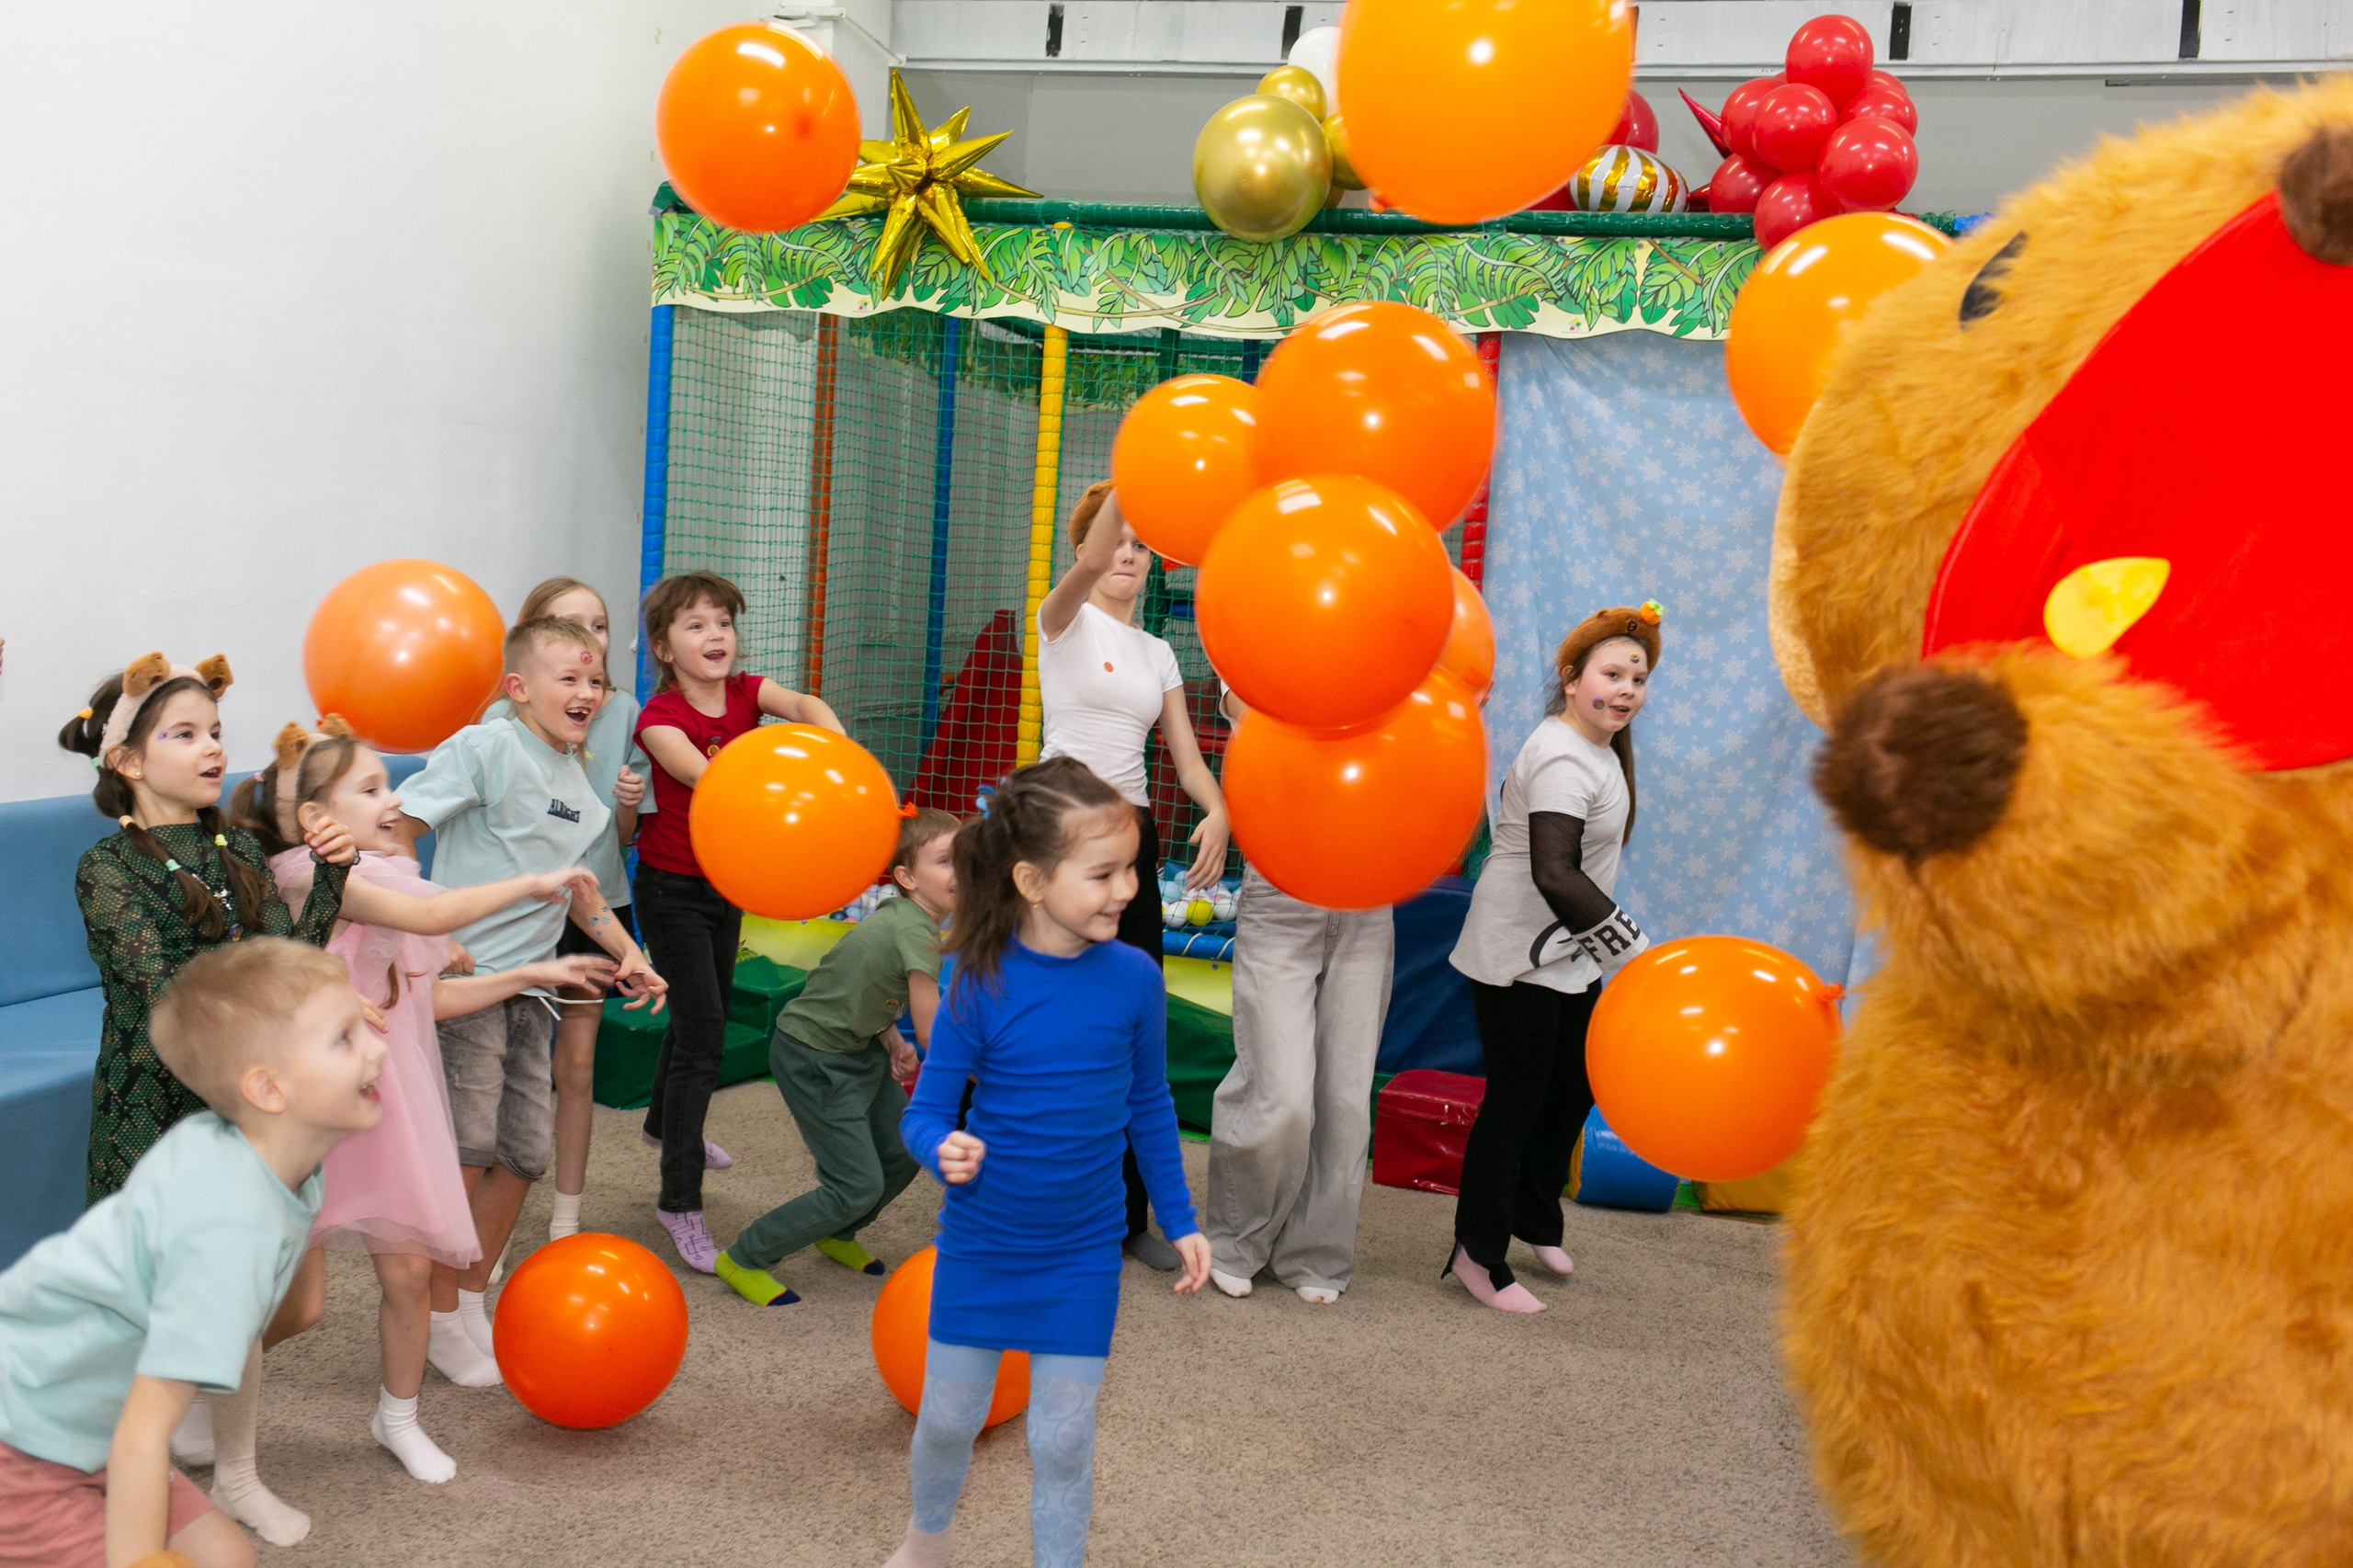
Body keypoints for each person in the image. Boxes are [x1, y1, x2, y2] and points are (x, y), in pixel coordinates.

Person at [235, 722, 617, 1474]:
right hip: (317, 1109)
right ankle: (197, 1386)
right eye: (370, 788)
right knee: (293, 1301)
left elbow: (423, 999)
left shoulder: (384, 874)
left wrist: (529, 976)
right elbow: (434, 916)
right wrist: (534, 881)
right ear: (317, 817)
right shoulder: (308, 877)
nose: (394, 800)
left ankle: (398, 1418)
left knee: (408, 1274)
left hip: (392, 1101)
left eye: (389, 784)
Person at [56, 654, 356, 1545]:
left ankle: (235, 1471)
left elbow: (287, 968)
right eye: (184, 733)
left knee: (251, 1300)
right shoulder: (106, 868)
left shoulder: (239, 850)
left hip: (239, 1104)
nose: (213, 747)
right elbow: (164, 994)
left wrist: (331, 878)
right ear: (128, 761)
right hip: (153, 1113)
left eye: (216, 731)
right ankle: (119, 1469)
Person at [890, 757, 1209, 1568]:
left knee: (1063, 1441)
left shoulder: (1135, 979)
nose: (1127, 889)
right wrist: (941, 1148)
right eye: (1102, 873)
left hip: (1082, 1254)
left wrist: (1179, 1218)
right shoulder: (975, 977)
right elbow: (923, 1114)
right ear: (1031, 880)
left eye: (1131, 868)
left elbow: (1149, 1104)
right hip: (983, 1246)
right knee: (947, 1421)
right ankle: (927, 1541)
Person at [0, 937, 384, 1568]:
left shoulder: (273, 1162)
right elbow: (145, 1433)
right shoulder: (227, 1231)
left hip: (94, 1417)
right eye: (345, 1038)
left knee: (225, 1556)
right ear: (267, 1088)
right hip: (25, 1437)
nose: (379, 1048)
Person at [395, 617, 667, 1381]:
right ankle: (436, 1322)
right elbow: (394, 829)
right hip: (466, 989)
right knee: (469, 1153)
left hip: (533, 995)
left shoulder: (582, 792)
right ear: (518, 688)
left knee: (521, 1156)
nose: (586, 691)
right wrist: (423, 928)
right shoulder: (487, 747)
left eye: (595, 680)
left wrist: (631, 954)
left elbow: (581, 894)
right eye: (568, 678)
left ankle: (466, 1304)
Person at [1034, 479, 1228, 1270]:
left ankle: (1128, 1217)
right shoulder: (1062, 621)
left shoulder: (1158, 654)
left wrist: (1219, 810)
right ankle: (1019, 1200)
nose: (1128, 555)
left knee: (1131, 1026)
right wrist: (1134, 480)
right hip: (1060, 835)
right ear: (1087, 549)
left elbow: (1187, 760)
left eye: (1142, 546)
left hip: (1133, 843)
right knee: (1042, 1020)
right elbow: (1087, 562)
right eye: (1117, 540)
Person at [1446, 603, 1661, 1314]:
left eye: (1638, 677)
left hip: (1570, 952)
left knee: (1571, 1088)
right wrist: (1635, 949)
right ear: (1571, 679)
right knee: (1516, 1102)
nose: (1626, 689)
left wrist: (1605, 950)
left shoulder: (1601, 750)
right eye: (1612, 674)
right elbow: (1555, 873)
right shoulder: (1563, 757)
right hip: (1520, 956)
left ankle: (1533, 1217)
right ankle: (1477, 1254)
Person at [631, 571, 843, 1271]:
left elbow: (804, 704)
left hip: (727, 885)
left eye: (723, 621)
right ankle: (678, 1200)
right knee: (704, 1037)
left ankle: (663, 1124)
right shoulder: (659, 718)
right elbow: (713, 778)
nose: (715, 634)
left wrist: (835, 748)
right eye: (695, 625)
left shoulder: (750, 692)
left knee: (702, 1014)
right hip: (671, 892)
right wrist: (784, 777)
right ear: (665, 648)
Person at [714, 807, 960, 1307]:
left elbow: (857, 988)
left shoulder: (904, 918)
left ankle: (839, 1233)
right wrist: (985, 1072)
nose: (963, 871)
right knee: (855, 1185)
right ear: (907, 878)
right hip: (812, 1056)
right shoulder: (914, 930)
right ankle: (745, 1257)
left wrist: (891, 1042)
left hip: (858, 1046)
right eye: (946, 861)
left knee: (903, 1149)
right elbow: (932, 1030)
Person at [1202, 686, 1395, 1305]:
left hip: (1367, 892)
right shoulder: (1271, 654)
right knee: (1280, 1091)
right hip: (1283, 884)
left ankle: (1315, 1251)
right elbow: (1248, 710)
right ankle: (1236, 1239)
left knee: (1345, 1098)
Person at [480, 576, 653, 1243]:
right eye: (570, 625)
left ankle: (567, 1222)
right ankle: (488, 1227)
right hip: (519, 919)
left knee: (575, 1069)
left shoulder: (624, 710)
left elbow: (622, 838)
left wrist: (628, 804)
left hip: (597, 905)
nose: (589, 639)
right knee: (501, 1072)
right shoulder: (498, 726)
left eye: (599, 626)